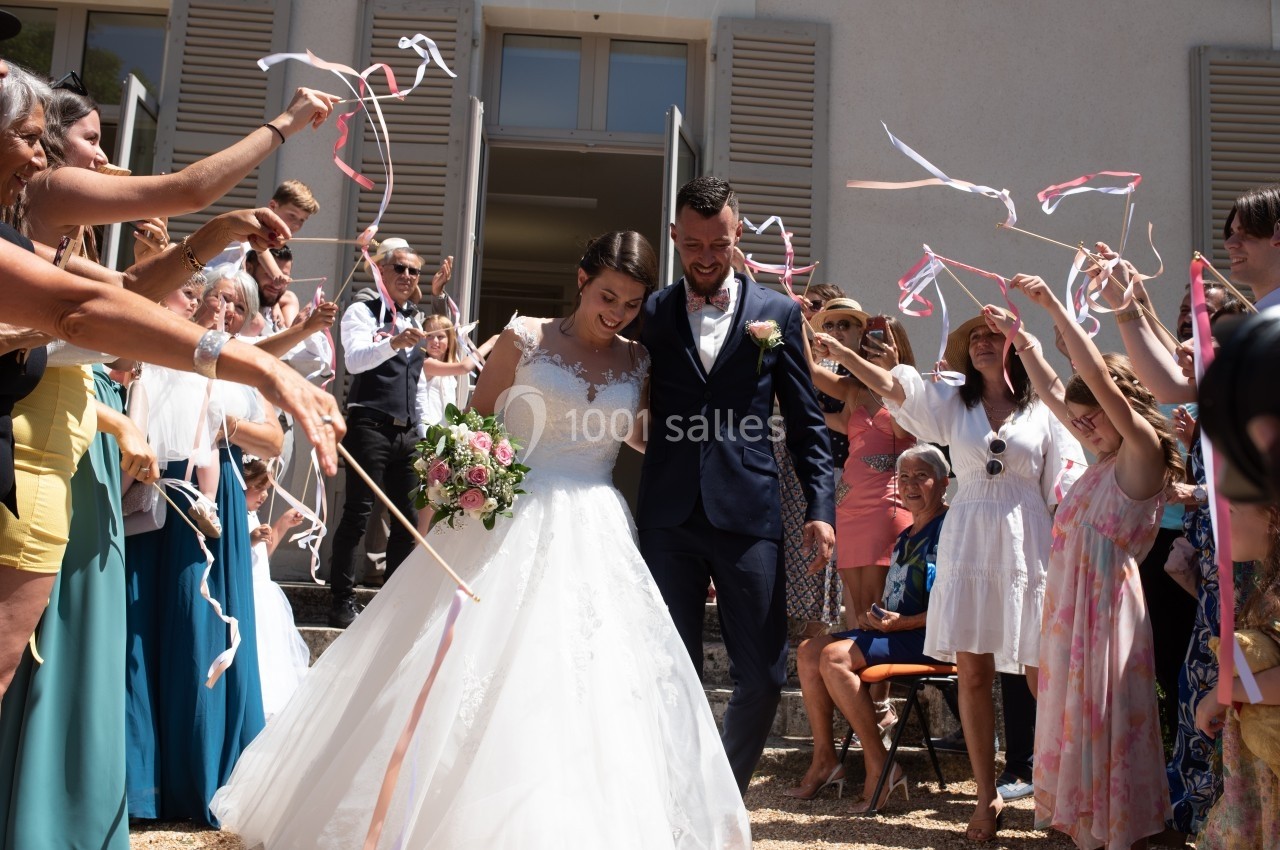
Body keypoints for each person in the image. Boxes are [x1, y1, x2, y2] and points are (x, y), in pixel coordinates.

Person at [210, 231, 751, 848]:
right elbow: (478, 424)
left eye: (631, 304)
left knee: (588, 676)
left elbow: (637, 436)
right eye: (608, 296)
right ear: (582, 278)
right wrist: (459, 478)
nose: (617, 314)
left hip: (598, 524)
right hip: (511, 517)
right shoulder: (525, 339)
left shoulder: (639, 360)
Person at [813, 305, 1084, 841]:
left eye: (994, 336)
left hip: (1027, 544)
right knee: (975, 674)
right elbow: (896, 388)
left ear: (1015, 346)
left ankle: (1058, 795)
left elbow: (1067, 484)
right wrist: (845, 355)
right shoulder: (954, 406)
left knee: (1041, 676)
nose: (983, 342)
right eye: (975, 337)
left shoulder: (1044, 411)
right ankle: (986, 800)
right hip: (969, 542)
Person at [637, 176, 835, 794]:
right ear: (674, 237)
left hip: (750, 512)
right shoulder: (648, 312)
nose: (704, 255)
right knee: (674, 668)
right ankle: (677, 795)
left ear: (737, 235)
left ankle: (721, 793)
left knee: (764, 673)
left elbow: (806, 422)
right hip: (668, 515)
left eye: (717, 243)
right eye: (691, 242)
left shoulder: (776, 314)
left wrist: (821, 507)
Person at [995, 275, 1181, 849]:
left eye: (1092, 416)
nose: (1083, 424)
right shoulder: (1100, 461)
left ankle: (1122, 829)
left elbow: (1100, 384)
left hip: (1108, 609)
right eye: (1077, 419)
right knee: (1076, 717)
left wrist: (1052, 303)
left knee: (1106, 717)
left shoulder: (1141, 452)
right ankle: (1091, 824)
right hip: (1073, 608)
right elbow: (1057, 390)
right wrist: (1020, 340)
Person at [786, 444, 948, 810]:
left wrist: (902, 622)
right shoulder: (906, 535)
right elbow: (900, 596)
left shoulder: (950, 528)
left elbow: (955, 604)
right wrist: (876, 616)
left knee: (834, 658)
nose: (910, 485)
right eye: (903, 477)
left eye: (921, 476)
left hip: (930, 636)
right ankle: (825, 760)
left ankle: (882, 765)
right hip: (898, 631)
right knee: (809, 651)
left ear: (943, 483)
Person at [326, 243, 439, 628]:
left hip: (407, 433)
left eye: (414, 271)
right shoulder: (362, 310)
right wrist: (392, 342)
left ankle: (394, 603)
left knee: (406, 520)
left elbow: (418, 383)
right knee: (357, 514)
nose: (407, 276)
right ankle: (342, 599)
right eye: (400, 268)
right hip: (369, 424)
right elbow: (355, 359)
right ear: (382, 270)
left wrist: (426, 434)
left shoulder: (416, 317)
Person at [1196, 501, 1280, 848]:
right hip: (1256, 775)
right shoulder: (1263, 588)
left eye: (1231, 512)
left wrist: (1222, 694)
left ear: (1273, 517)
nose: (1220, 522)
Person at [242, 458, 309, 719]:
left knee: (271, 654)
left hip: (265, 595)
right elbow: (235, 554)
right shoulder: (236, 515)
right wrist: (250, 538)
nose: (265, 494)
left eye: (267, 487)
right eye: (258, 487)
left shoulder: (253, 515)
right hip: (250, 596)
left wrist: (282, 524)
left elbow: (262, 557)